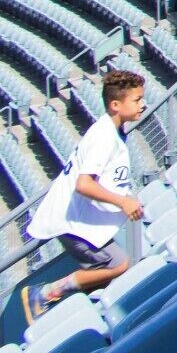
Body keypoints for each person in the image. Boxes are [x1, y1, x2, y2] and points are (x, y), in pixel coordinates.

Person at [20, 70, 145, 325]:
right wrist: (123, 202)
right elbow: (84, 184)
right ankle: (44, 294)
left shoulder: (113, 130)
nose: (143, 104)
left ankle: (85, 314)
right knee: (120, 265)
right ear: (115, 105)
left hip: (83, 219)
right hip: (74, 222)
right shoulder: (104, 137)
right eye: (137, 100)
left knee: (113, 271)